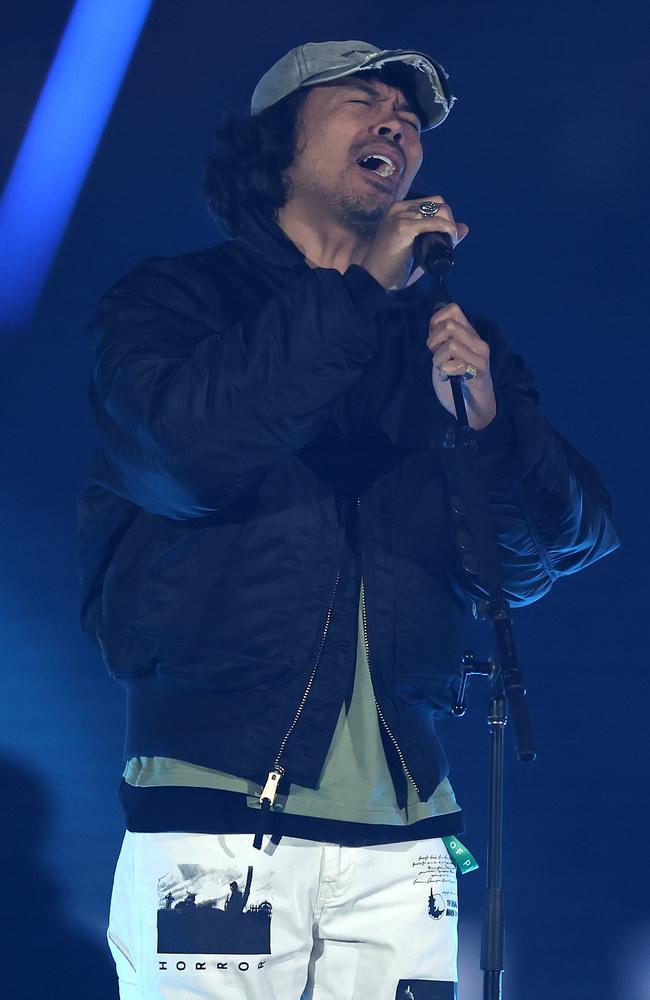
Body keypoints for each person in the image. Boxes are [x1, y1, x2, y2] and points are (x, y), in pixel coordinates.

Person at [78, 40, 619, 1000]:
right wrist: (360, 288)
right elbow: (184, 459)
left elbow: (547, 555)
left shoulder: (450, 345)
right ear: (277, 143)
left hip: (407, 838)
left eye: (409, 121)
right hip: (217, 815)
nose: (396, 126)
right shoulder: (176, 304)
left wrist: (495, 424)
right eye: (363, 101)